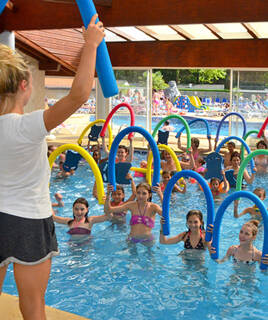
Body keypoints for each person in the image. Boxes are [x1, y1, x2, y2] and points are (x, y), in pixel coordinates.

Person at [0, 14, 105, 319]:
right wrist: (91, 44)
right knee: (32, 308)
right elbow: (79, 94)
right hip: (28, 221)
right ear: (24, 85)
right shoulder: (28, 126)